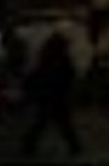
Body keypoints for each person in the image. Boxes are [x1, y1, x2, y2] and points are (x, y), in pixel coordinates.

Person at [21, 30, 83, 158]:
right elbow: (69, 76)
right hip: (56, 96)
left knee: (44, 123)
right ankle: (75, 147)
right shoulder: (61, 59)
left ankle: (28, 145)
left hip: (48, 95)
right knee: (60, 123)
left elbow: (36, 75)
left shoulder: (47, 57)